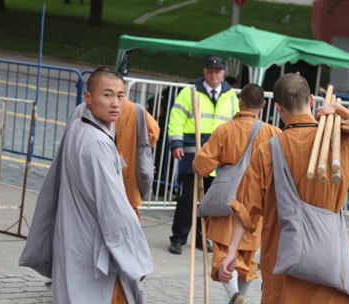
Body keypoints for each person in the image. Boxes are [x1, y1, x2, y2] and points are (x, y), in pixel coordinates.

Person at [220, 73, 349, 304]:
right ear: (313, 100)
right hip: (330, 254)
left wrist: (232, 252)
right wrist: (342, 112)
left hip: (283, 255)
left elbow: (245, 208)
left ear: (278, 108)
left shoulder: (267, 150)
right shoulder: (340, 141)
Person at [20, 70, 154, 304]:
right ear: (88, 97)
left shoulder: (77, 127)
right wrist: (133, 257)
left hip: (73, 240)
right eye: (107, 95)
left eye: (121, 96)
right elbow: (115, 211)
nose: (115, 103)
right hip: (93, 250)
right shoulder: (97, 141)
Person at [193, 84, 281, 304]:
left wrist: (198, 163)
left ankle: (233, 294)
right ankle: (242, 296)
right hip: (255, 202)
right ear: (263, 104)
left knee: (223, 249)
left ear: (240, 102)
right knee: (249, 256)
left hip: (227, 199)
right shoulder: (272, 133)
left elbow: (203, 165)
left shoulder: (225, 129)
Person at [66, 67, 161, 219]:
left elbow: (70, 142)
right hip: (125, 182)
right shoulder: (134, 110)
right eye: (107, 94)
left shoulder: (84, 110)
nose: (115, 104)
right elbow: (153, 132)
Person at [167, 56, 240, 255]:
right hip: (192, 152)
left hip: (218, 157)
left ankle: (202, 238)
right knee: (188, 197)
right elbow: (176, 119)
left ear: (223, 74)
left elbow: (237, 124)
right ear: (204, 72)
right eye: (209, 71)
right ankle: (178, 238)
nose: (213, 74)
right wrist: (176, 143)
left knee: (209, 200)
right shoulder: (189, 93)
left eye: (217, 71)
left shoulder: (231, 97)